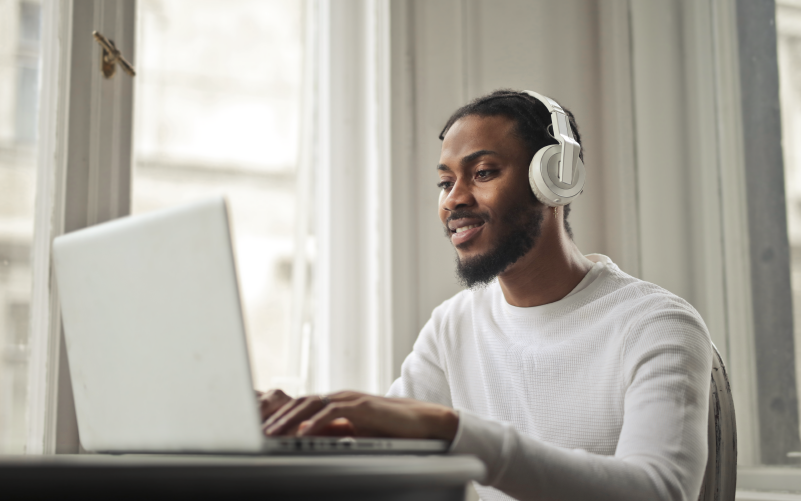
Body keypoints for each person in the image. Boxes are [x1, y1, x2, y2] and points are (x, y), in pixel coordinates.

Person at [258, 89, 712, 501]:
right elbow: (389, 458)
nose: (453, 200)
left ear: (555, 179)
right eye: (445, 182)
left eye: (482, 172)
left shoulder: (657, 324)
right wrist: (301, 426)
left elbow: (660, 491)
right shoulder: (453, 325)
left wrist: (452, 429)